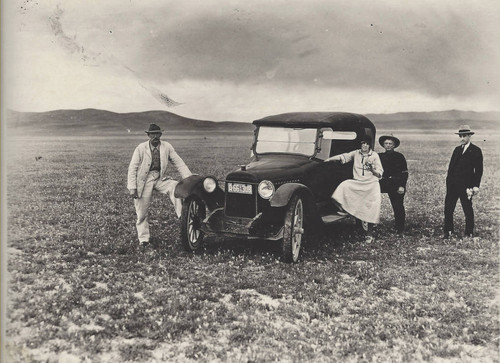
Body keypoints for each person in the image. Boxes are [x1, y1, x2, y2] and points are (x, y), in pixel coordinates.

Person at [127, 123, 192, 246]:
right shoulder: (141, 148)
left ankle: (182, 216)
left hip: (159, 178)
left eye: (157, 134)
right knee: (142, 213)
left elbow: (179, 163)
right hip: (143, 181)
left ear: (161, 134)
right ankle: (144, 239)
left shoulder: (167, 147)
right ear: (148, 135)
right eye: (152, 134)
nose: (155, 136)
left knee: (174, 186)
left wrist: (189, 179)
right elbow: (132, 168)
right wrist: (132, 188)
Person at [325, 135, 383, 242]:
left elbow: (379, 174)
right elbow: (344, 157)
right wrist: (328, 159)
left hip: (371, 184)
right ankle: (345, 210)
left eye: (366, 144)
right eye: (362, 143)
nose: (364, 146)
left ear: (369, 145)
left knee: (371, 208)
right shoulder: (356, 153)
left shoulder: (374, 156)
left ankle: (369, 235)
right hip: (358, 182)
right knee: (343, 187)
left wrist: (372, 170)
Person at [443, 125, 483, 239]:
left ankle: (469, 232)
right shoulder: (457, 150)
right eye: (460, 136)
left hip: (466, 186)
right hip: (452, 185)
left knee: (467, 208)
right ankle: (448, 231)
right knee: (448, 208)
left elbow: (479, 170)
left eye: (464, 136)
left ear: (470, 136)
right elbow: (451, 168)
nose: (462, 138)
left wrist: (475, 186)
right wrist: (449, 182)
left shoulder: (476, 150)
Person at [378, 134, 408, 235]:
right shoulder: (379, 156)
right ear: (383, 145)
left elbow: (404, 173)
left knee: (398, 206)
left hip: (396, 184)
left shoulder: (399, 156)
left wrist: (402, 186)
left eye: (390, 143)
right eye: (386, 143)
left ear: (394, 145)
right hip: (382, 183)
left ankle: (400, 228)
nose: (388, 145)